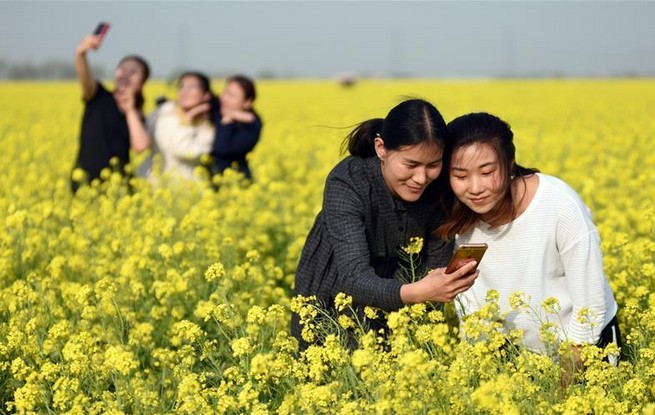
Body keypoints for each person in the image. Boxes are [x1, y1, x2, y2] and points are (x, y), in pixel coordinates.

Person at [292, 99, 480, 349]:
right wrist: (420, 292)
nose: (422, 178)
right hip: (335, 291)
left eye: (433, 165)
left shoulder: (440, 188)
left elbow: (435, 264)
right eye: (411, 164)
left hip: (406, 297)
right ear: (381, 148)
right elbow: (353, 276)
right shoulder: (347, 182)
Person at [438, 112, 620, 358]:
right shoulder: (456, 219)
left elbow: (591, 307)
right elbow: (471, 310)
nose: (475, 188)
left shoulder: (559, 205)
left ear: (509, 162)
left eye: (487, 172)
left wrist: (565, 379)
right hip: (516, 358)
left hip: (586, 347)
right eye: (460, 176)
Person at [71, 34, 151, 193]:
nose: (125, 74)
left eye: (133, 72)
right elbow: (85, 78)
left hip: (120, 185)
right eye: (122, 69)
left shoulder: (137, 114)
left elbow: (141, 146)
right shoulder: (98, 96)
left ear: (142, 82)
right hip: (85, 182)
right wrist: (81, 53)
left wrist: (130, 110)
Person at [138, 71, 217, 182]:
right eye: (181, 87)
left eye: (192, 87)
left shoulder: (209, 128)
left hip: (187, 190)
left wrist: (188, 120)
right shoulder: (162, 113)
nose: (185, 92)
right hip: (152, 185)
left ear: (206, 95)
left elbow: (182, 151)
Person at [210, 75, 262, 181]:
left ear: (247, 102)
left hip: (237, 181)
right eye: (225, 92)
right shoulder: (217, 110)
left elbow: (222, 150)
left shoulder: (251, 127)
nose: (224, 98)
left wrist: (228, 121)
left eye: (231, 96)